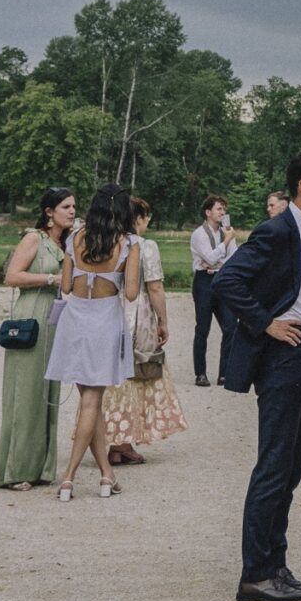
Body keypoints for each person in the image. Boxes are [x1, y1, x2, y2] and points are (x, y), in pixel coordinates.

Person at [213, 151, 301, 601]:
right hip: (282, 358)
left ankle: (275, 563)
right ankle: (255, 573)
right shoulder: (276, 230)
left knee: (291, 468)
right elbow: (226, 281)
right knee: (274, 467)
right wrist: (265, 322)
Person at [45, 185, 142, 498]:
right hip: (104, 321)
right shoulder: (129, 243)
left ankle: (106, 475)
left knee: (91, 404)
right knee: (91, 402)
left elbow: (65, 286)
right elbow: (131, 294)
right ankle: (69, 477)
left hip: (75, 320)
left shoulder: (75, 238)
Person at [0, 188, 76, 490]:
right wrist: (51, 279)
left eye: (74, 206)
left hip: (54, 318)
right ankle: (16, 469)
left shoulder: (65, 243)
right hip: (32, 315)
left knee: (47, 392)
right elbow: (12, 276)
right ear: (49, 212)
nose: (72, 211)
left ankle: (41, 466)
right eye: (66, 207)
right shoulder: (34, 239)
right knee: (26, 391)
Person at [98, 196, 185, 464]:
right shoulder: (145, 246)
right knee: (137, 375)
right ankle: (122, 442)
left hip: (107, 314)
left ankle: (110, 438)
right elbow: (155, 286)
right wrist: (163, 321)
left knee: (111, 380)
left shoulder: (106, 243)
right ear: (137, 218)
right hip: (137, 316)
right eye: (146, 217)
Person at [188, 195, 237, 387]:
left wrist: (217, 262)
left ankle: (224, 373)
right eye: (219, 209)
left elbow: (234, 257)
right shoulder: (199, 234)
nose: (222, 213)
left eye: (224, 209)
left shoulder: (226, 232)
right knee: (203, 327)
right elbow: (208, 257)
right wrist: (226, 242)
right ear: (208, 212)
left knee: (231, 326)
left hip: (222, 279)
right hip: (204, 281)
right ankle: (200, 373)